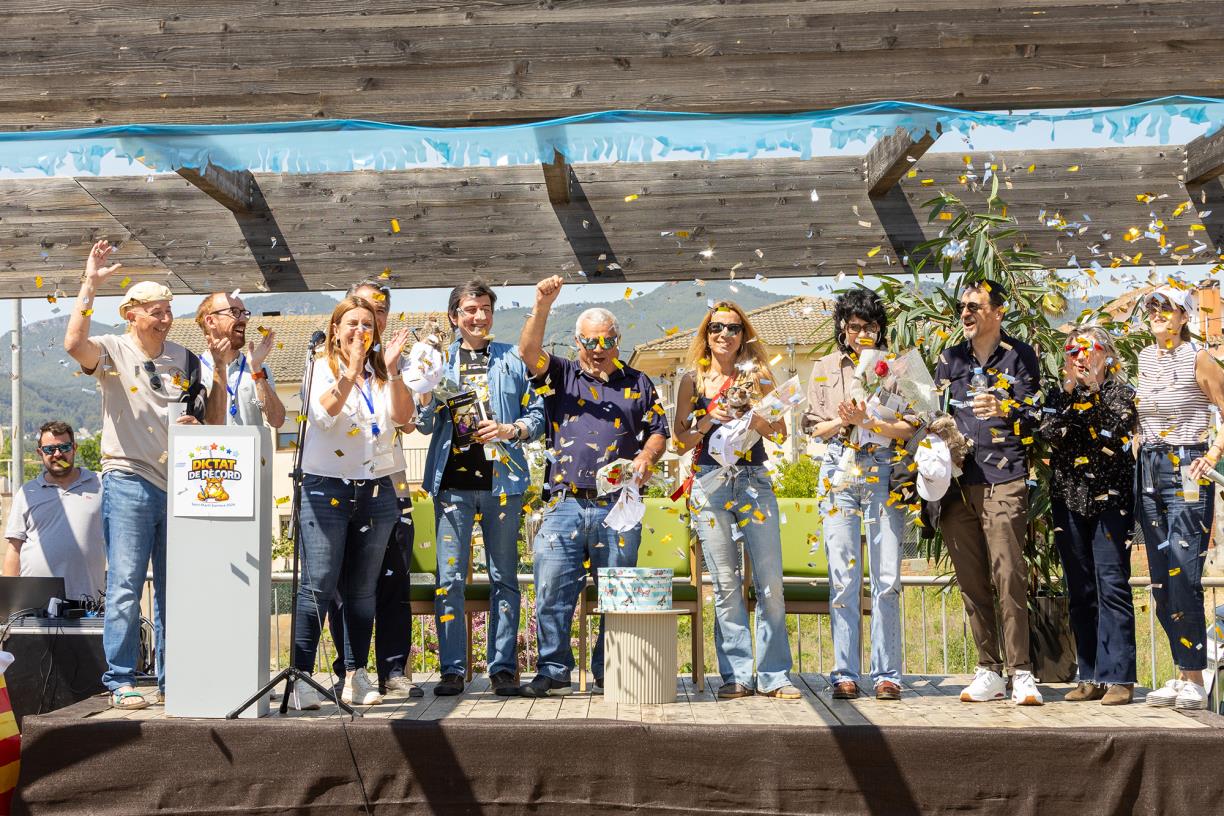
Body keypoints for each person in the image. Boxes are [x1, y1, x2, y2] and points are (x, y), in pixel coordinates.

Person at [63, 240, 217, 711]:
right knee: (126, 585)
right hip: (128, 478)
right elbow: (73, 345)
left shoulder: (187, 359)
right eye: (155, 311)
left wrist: (198, 423)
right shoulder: (112, 349)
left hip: (180, 485)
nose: (165, 319)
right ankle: (121, 680)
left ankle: (173, 679)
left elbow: (208, 419)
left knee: (174, 587)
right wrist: (90, 283)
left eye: (168, 310)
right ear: (131, 315)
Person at [518, 275, 669, 697]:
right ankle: (553, 670)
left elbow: (658, 430)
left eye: (607, 341)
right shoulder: (561, 374)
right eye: (590, 342)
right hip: (564, 502)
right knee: (551, 590)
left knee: (617, 593)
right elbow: (528, 352)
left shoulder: (638, 382)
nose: (598, 349)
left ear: (618, 341)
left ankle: (611, 669)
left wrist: (646, 457)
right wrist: (542, 305)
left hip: (618, 504)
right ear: (577, 342)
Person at [416, 280, 544, 697]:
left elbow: (538, 413)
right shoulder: (437, 361)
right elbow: (423, 425)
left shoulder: (513, 357)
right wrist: (424, 394)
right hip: (452, 484)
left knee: (504, 577)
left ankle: (503, 668)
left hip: (503, 484)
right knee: (450, 579)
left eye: (486, 308)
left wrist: (511, 429)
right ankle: (452, 670)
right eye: (470, 309)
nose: (479, 316)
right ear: (454, 316)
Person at [288, 295, 414, 710]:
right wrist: (351, 370)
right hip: (325, 487)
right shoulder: (318, 366)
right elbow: (324, 414)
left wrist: (393, 372)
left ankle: (355, 675)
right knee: (320, 582)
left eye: (367, 325)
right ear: (336, 329)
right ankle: (302, 677)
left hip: (376, 488)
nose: (361, 331)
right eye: (353, 324)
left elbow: (404, 418)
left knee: (363, 590)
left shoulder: (381, 371)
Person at [672, 302, 798, 699]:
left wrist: (756, 418)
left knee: (770, 583)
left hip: (753, 481)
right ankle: (737, 675)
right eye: (716, 328)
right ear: (706, 335)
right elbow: (679, 442)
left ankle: (775, 675)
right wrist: (707, 421)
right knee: (725, 584)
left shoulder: (758, 377)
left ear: (744, 335)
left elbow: (780, 432)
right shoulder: (691, 380)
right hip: (709, 483)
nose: (724, 335)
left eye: (732, 328)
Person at [934, 278, 1044, 706]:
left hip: (1005, 479)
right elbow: (933, 412)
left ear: (997, 312)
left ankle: (1022, 672)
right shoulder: (948, 359)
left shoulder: (1021, 355)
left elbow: (1038, 413)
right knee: (971, 580)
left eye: (974, 306)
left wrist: (1005, 406)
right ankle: (988, 670)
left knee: (1009, 575)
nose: (965, 313)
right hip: (955, 484)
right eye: (962, 307)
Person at [801, 288, 912, 701]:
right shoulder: (825, 367)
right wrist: (843, 421)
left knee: (887, 578)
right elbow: (811, 428)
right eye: (853, 327)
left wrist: (871, 422)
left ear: (880, 329)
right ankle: (844, 672)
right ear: (842, 328)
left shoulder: (897, 367)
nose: (861, 334)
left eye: (869, 327)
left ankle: (887, 674)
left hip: (883, 469)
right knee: (843, 578)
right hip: (838, 468)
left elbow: (912, 426)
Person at [325, 281, 423, 699]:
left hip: (391, 483)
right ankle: (349, 670)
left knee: (394, 579)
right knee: (344, 584)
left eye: (378, 311)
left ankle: (394, 669)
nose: (369, 320)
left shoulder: (395, 363)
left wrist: (395, 368)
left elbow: (409, 422)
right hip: (341, 488)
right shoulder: (327, 362)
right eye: (361, 312)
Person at [1135, 285, 1224, 710]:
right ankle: (1183, 672)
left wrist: (1213, 454)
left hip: (1186, 464)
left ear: (1184, 316)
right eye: (1152, 306)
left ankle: (1195, 677)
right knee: (1159, 578)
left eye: (1166, 307)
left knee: (1183, 574)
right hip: (1149, 466)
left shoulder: (1198, 357)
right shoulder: (1144, 357)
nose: (1157, 313)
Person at [1038, 327, 1138, 706]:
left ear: (1106, 355)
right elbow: (1049, 431)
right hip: (1068, 501)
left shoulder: (1120, 393)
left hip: (1111, 502)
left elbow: (1111, 433)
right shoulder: (1059, 396)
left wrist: (1093, 394)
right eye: (1072, 351)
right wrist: (1069, 394)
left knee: (1112, 585)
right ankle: (1091, 674)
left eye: (1087, 350)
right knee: (1080, 590)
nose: (1079, 357)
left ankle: (1119, 677)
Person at [4, 421, 105, 602]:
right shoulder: (27, 492)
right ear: (40, 453)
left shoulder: (100, 484)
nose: (57, 454)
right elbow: (14, 548)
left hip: (87, 601)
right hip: (34, 602)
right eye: (50, 449)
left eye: (64, 447)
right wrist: (8, 603)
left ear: (74, 448)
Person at [194, 291, 286, 429]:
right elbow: (208, 424)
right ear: (211, 321)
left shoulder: (258, 369)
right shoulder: (194, 369)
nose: (244, 319)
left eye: (244, 313)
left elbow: (277, 420)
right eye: (234, 312)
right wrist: (219, 367)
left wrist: (256, 369)